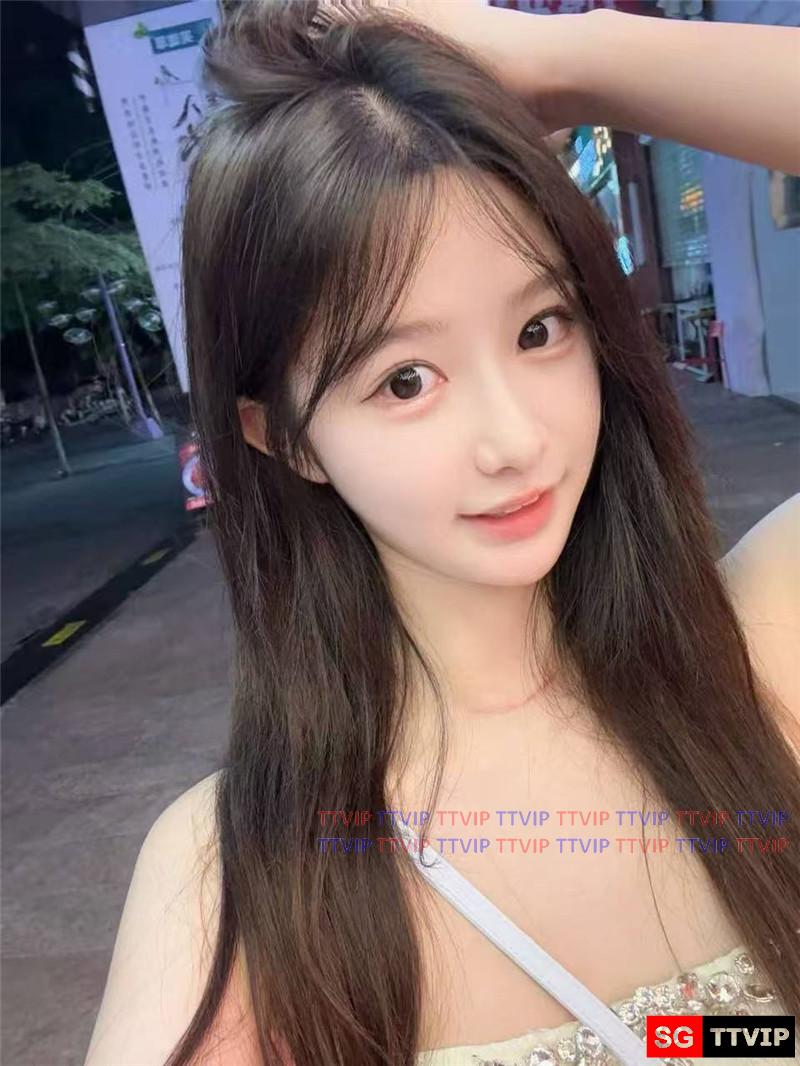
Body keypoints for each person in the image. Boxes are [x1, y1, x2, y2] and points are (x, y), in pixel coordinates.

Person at [83, 2, 800, 1065]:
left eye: (538, 328)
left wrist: (568, 57)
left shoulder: (767, 646)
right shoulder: (247, 886)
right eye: (405, 380)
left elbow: (705, 1044)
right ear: (287, 437)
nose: (513, 439)